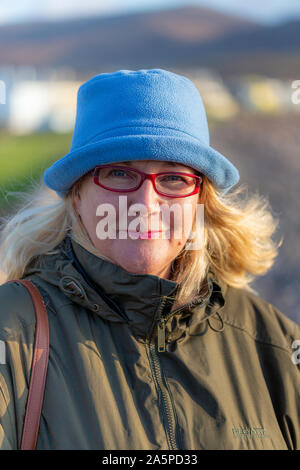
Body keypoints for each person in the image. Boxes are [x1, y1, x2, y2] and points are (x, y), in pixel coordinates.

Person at [0, 68, 299, 450]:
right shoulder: (11, 331)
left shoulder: (273, 342)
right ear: (77, 194)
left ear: (200, 198)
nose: (145, 205)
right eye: (120, 173)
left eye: (173, 178)